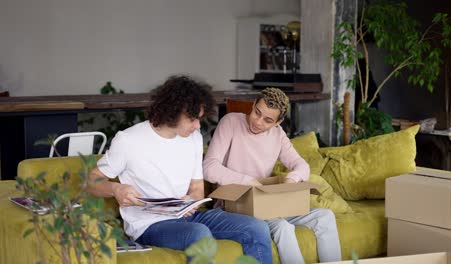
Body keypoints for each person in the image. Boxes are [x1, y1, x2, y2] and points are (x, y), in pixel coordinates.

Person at [86, 75, 272, 263]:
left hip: (186, 217)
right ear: (172, 111)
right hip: (149, 226)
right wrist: (116, 189)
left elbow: (197, 188)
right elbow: (91, 181)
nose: (198, 125)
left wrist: (192, 200)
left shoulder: (194, 138)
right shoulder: (128, 140)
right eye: (192, 119)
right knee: (199, 233)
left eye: (199, 118)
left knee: (257, 228)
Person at [203, 87, 342, 263]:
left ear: (278, 122)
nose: (258, 122)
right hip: (235, 207)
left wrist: (292, 179)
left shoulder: (278, 135)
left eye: (268, 120)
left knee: (325, 217)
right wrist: (248, 181)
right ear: (253, 105)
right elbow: (208, 167)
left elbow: (302, 166)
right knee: (283, 227)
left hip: (268, 205)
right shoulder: (231, 122)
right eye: (256, 112)